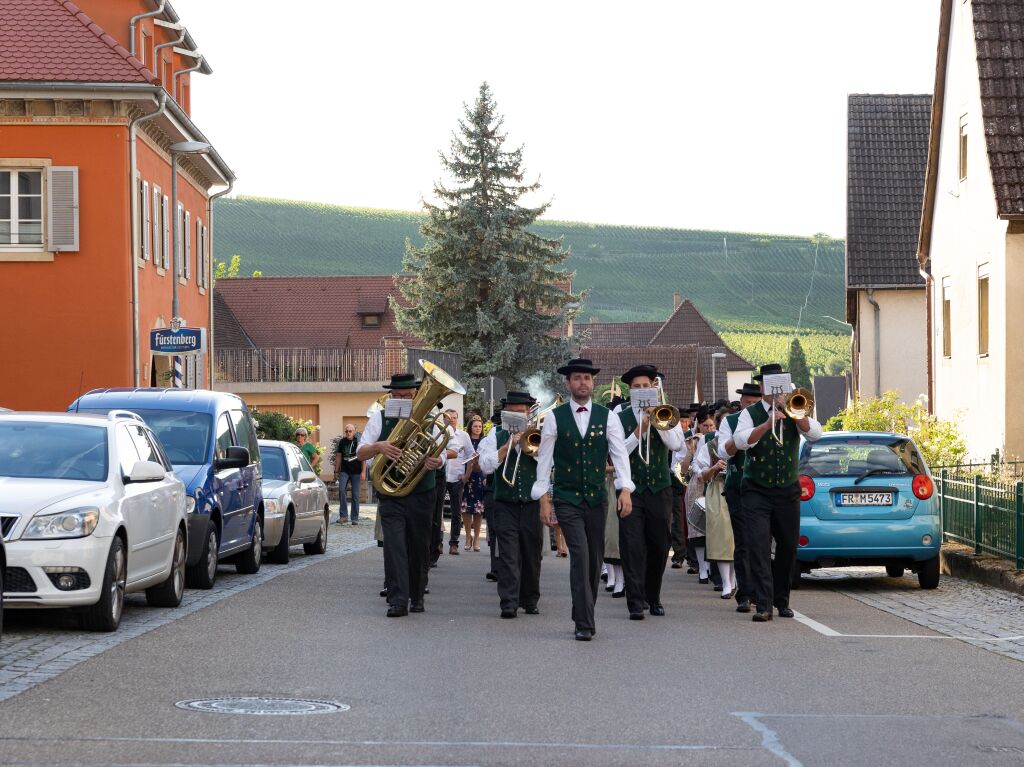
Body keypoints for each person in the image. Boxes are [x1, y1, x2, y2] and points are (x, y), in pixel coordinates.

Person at [532, 358, 634, 642]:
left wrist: (625, 489)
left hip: (595, 498)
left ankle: (583, 611)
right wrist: (543, 498)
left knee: (594, 560)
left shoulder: (607, 416)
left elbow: (619, 454)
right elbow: (544, 459)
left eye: (587, 379)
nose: (582, 383)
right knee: (580, 556)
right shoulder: (554, 417)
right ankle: (585, 623)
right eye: (577, 378)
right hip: (566, 498)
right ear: (568, 383)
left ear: (592, 383)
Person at [733, 363, 823, 623]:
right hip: (756, 491)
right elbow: (741, 442)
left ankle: (781, 600)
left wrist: (795, 413)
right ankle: (763, 604)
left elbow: (816, 434)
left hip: (787, 490)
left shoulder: (795, 409)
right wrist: (768, 423)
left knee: (787, 547)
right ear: (762, 387)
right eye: (769, 384)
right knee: (759, 547)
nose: (774, 389)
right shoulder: (750, 414)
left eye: (780, 384)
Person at [357, 372, 446, 617]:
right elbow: (361, 451)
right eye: (396, 396)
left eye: (406, 396)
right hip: (391, 494)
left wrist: (436, 461)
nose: (400, 399)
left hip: (421, 492)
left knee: (419, 546)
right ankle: (397, 600)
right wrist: (379, 446)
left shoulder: (429, 419)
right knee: (394, 546)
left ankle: (417, 596)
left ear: (416, 394)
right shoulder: (380, 417)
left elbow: (443, 454)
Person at [613, 365, 684, 619]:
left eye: (647, 386)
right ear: (629, 391)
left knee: (659, 545)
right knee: (632, 545)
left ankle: (652, 596)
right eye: (637, 387)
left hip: (659, 488)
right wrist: (639, 429)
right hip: (629, 489)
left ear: (654, 387)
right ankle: (635, 601)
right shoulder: (618, 417)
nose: (642, 390)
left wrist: (657, 421)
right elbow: (616, 451)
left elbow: (676, 445)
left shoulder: (667, 413)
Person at [479, 391, 543, 618]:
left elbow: (548, 464)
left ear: (528, 413)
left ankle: (530, 599)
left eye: (520, 412)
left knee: (531, 553)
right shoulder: (494, 435)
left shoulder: (538, 435)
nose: (516, 416)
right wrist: (507, 446)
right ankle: (508, 601)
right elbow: (485, 466)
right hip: (504, 503)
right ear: (505, 414)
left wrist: (527, 444)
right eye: (512, 412)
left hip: (531, 502)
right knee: (507, 553)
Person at [718, 382, 763, 612]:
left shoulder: (771, 420)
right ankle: (745, 594)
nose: (750, 407)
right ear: (740, 403)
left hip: (763, 487)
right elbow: (723, 452)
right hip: (737, 485)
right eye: (747, 403)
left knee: (762, 541)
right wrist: (741, 438)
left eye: (755, 403)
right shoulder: (730, 421)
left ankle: (762, 592)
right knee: (744, 540)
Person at [695, 408, 735, 599]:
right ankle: (726, 582)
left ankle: (735, 580)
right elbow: (701, 475)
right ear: (719, 425)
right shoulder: (710, 446)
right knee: (721, 538)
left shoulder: (742, 442)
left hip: (740, 490)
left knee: (737, 538)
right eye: (725, 422)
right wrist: (714, 468)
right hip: (717, 491)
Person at [444, 409, 473, 555]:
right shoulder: (440, 433)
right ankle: (436, 543)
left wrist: (466, 476)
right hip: (441, 477)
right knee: (436, 512)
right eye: (449, 418)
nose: (452, 420)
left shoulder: (464, 435)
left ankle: (454, 543)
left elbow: (471, 456)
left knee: (456, 513)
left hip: (457, 478)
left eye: (455, 418)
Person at [461, 414, 486, 551]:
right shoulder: (466, 440)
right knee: (466, 509)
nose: (477, 428)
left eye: (480, 426)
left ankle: (476, 539)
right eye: (475, 426)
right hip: (467, 476)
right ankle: (467, 537)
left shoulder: (485, 441)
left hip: (479, 477)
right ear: (470, 427)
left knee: (478, 510)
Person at [333, 424, 363, 524]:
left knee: (355, 494)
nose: (348, 433)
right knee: (341, 490)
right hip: (344, 471)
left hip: (356, 471)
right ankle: (343, 516)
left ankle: (354, 518)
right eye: (346, 431)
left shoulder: (358, 441)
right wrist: (336, 471)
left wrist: (363, 472)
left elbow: (363, 457)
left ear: (354, 431)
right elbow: (338, 456)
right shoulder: (342, 441)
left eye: (350, 431)